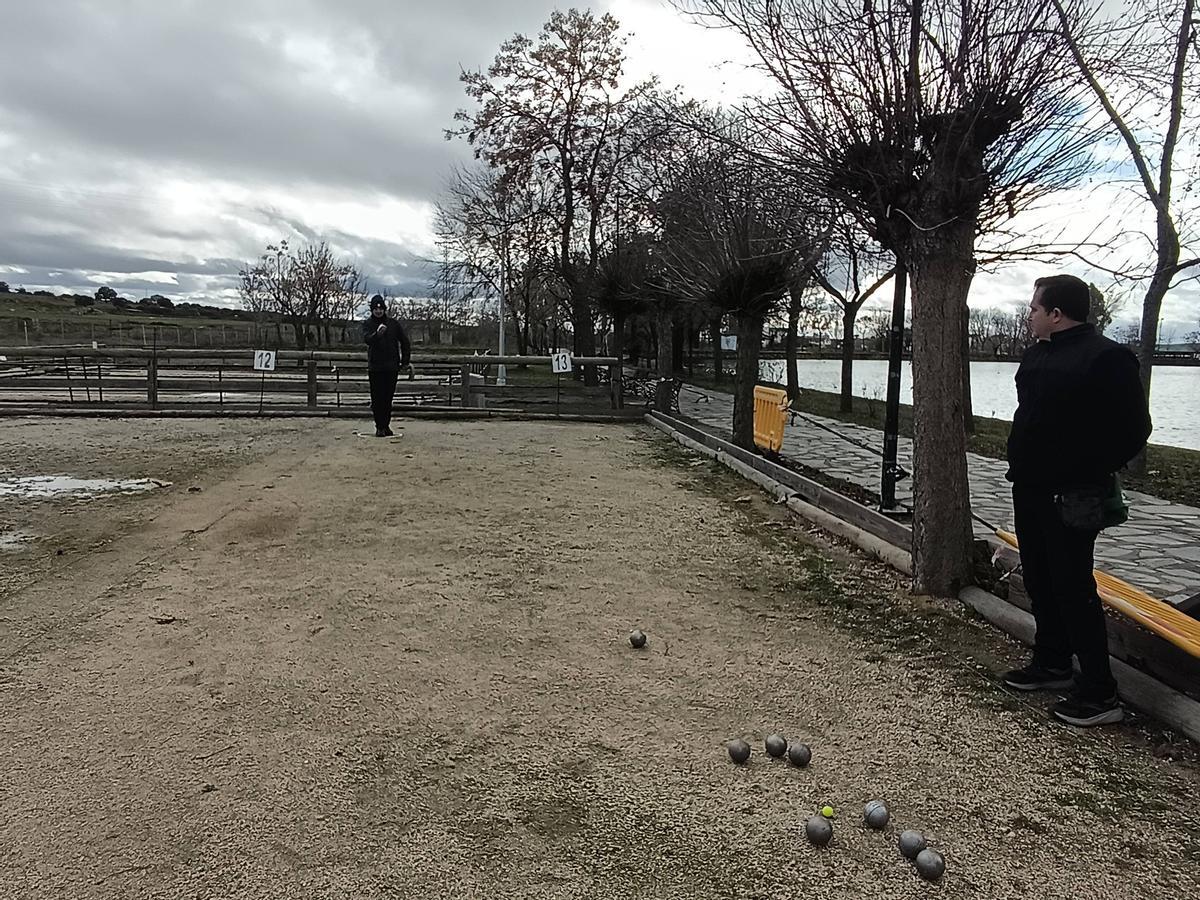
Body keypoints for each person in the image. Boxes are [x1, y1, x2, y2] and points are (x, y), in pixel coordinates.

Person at [1003, 274, 1152, 727]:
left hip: (1073, 494)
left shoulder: (1107, 357)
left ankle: (1100, 691)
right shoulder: (1036, 355)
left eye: (1034, 308)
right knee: (1040, 578)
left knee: (1073, 586)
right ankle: (1052, 663)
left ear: (1056, 313)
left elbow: (1134, 428)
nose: (1028, 315)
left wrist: (1087, 469)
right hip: (1028, 486)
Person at [362, 295, 411, 437]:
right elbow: (367, 340)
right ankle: (379, 426)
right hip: (376, 367)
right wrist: (377, 335)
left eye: (380, 308)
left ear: (384, 309)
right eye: (375, 308)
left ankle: (386, 425)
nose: (378, 311)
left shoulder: (393, 324)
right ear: (372, 309)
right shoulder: (368, 324)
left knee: (388, 398)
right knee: (377, 398)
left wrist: (405, 361)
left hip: (391, 367)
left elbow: (405, 342)